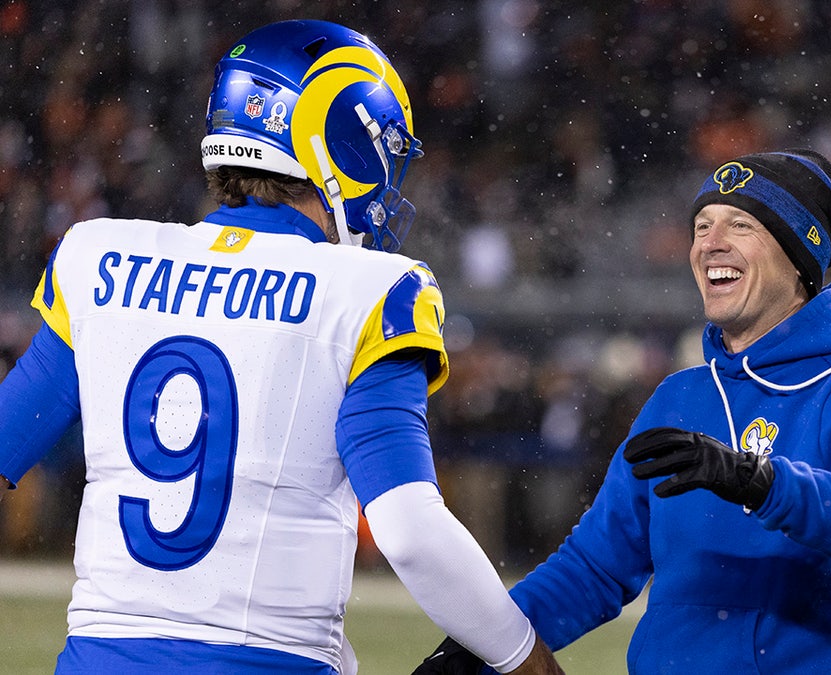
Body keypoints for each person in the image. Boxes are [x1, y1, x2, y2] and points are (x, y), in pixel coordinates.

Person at [0, 20, 560, 675]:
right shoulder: (369, 291)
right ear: (338, 147)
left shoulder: (101, 258)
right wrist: (532, 662)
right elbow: (411, 532)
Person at [415, 149, 831, 674]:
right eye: (701, 226)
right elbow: (595, 568)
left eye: (741, 224)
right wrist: (479, 647)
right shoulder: (678, 398)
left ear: (798, 255)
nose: (710, 244)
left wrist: (763, 484)